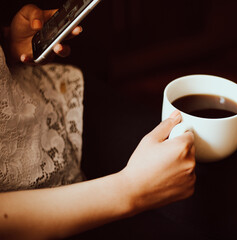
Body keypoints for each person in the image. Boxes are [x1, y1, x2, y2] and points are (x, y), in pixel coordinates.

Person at [0, 4, 196, 239]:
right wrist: (131, 189)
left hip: (55, 99)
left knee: (231, 180)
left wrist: (8, 43)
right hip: (32, 214)